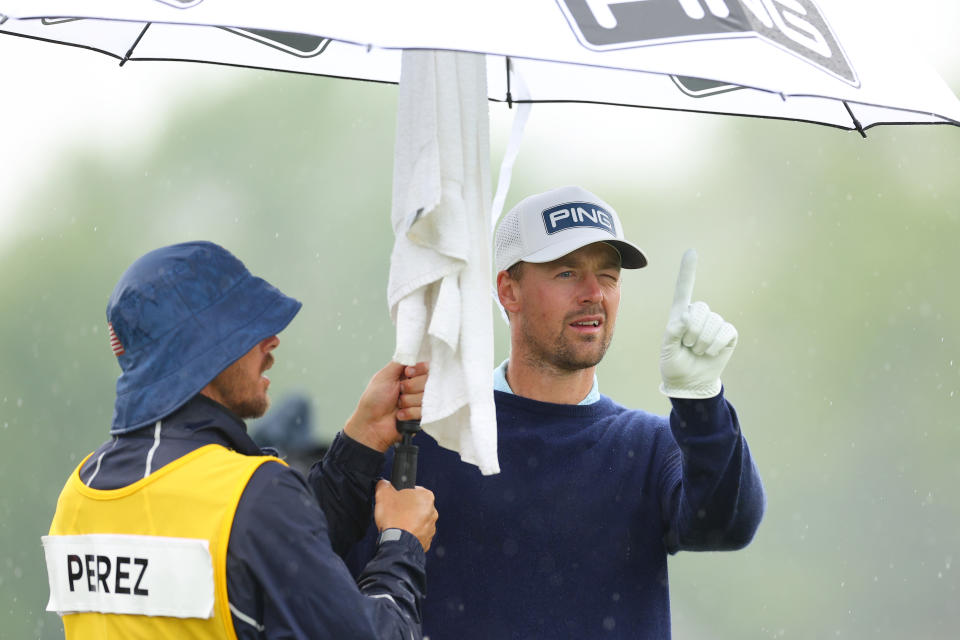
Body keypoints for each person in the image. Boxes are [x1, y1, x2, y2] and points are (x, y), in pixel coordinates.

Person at [352, 185, 766, 638]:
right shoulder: (428, 436)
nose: (594, 294)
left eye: (608, 276)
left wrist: (702, 402)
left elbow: (727, 526)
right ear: (508, 290)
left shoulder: (649, 447)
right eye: (567, 273)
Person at [41, 241, 438, 639]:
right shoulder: (256, 496)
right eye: (244, 328)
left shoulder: (77, 498)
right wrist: (400, 545)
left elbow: (265, 554)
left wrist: (364, 437)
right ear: (199, 350)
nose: (271, 341)